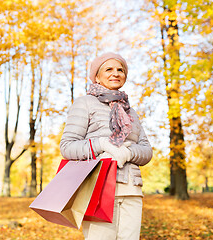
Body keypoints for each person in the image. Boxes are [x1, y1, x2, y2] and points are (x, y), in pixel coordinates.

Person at [60, 52, 153, 240]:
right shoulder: (85, 103)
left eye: (120, 70)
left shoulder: (131, 111)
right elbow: (67, 147)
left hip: (131, 189)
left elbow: (146, 150)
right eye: (108, 69)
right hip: (98, 189)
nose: (115, 73)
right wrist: (102, 144)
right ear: (96, 76)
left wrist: (127, 152)